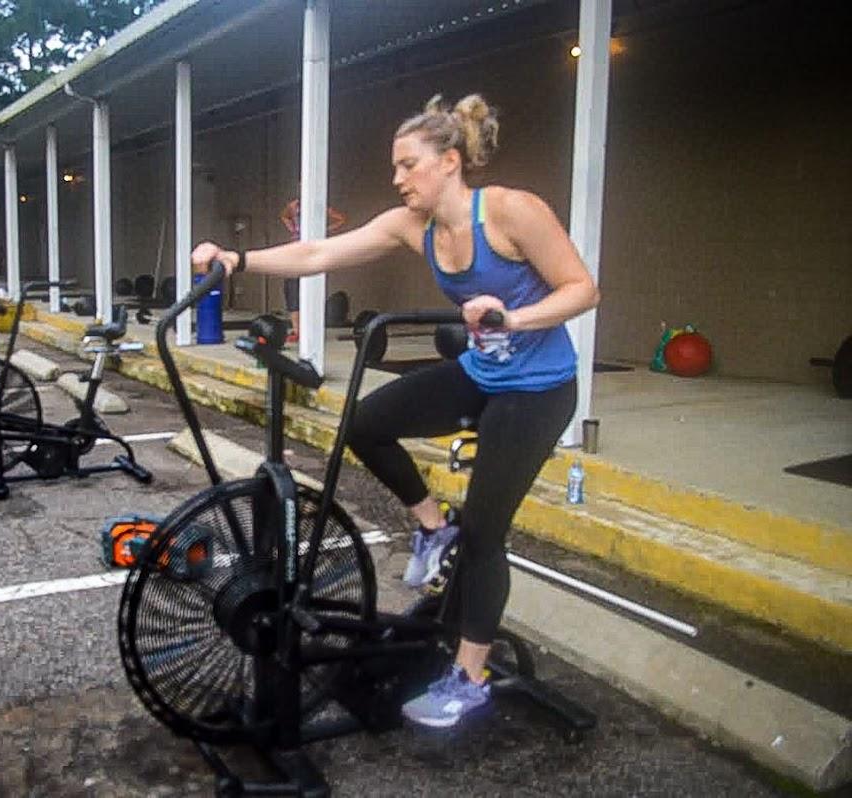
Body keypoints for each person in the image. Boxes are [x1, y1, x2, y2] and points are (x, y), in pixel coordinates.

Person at [191, 93, 599, 733]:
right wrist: (237, 260)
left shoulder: (513, 211)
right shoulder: (414, 227)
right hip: (482, 374)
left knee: (487, 535)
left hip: (540, 388)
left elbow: (583, 288)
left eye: (408, 165)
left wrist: (511, 316)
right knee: (366, 423)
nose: (397, 179)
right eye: (395, 168)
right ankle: (434, 528)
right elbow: (320, 254)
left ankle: (469, 679)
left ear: (450, 162)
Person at [278, 194, 346, 343]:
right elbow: (284, 216)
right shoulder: (294, 205)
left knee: (310, 287)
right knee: (292, 288)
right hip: (296, 248)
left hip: (311, 249)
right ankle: (297, 330)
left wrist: (324, 230)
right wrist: (293, 229)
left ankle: (307, 329)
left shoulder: (319, 205)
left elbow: (341, 219)